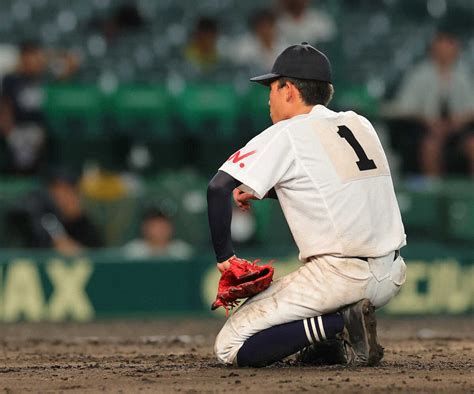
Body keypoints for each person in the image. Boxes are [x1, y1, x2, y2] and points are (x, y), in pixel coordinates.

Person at [207, 43, 407, 368]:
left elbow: (217, 188)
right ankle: (330, 336)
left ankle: (339, 322)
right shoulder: (358, 123)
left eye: (272, 87)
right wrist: (264, 192)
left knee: (231, 347)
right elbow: (333, 187)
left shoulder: (288, 131)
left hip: (341, 278)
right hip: (391, 273)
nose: (268, 97)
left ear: (289, 89)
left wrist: (225, 258)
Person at [386, 31, 474, 176]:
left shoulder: (463, 75)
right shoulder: (419, 74)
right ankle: (433, 193)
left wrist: (457, 122)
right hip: (426, 129)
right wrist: (429, 122)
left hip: (458, 130)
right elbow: (405, 107)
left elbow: (471, 108)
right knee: (430, 146)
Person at [0, 41, 47, 175]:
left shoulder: (44, 79)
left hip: (38, 130)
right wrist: (10, 132)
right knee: (17, 166)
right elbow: (4, 107)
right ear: (22, 58)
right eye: (29, 58)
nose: (33, 62)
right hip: (17, 130)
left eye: (36, 57)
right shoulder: (11, 79)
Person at [231, 9, 287, 74]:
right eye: (262, 26)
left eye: (269, 26)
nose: (266, 30)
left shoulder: (283, 45)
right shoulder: (244, 48)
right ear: (255, 28)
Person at [124, 208, 192, 260]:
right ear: (145, 228)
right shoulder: (133, 252)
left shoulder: (183, 251)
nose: (160, 229)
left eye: (163, 224)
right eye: (155, 225)